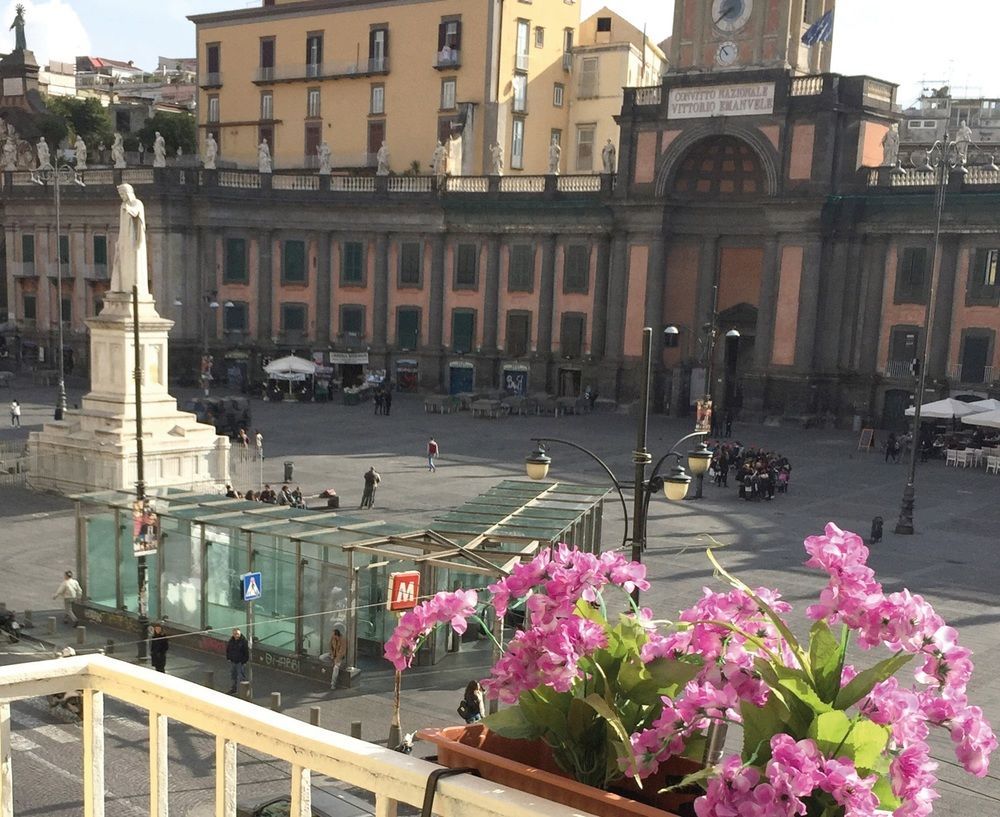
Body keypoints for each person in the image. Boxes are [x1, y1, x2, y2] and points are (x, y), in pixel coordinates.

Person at [226, 628, 250, 694]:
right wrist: (228, 658)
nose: (236, 635)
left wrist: (244, 661)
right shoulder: (231, 640)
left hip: (240, 662)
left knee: (241, 676)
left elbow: (246, 653)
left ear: (240, 633)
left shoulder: (243, 641)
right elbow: (228, 649)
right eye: (235, 634)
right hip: (233, 661)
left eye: (237, 634)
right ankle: (233, 689)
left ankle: (244, 692)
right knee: (233, 676)